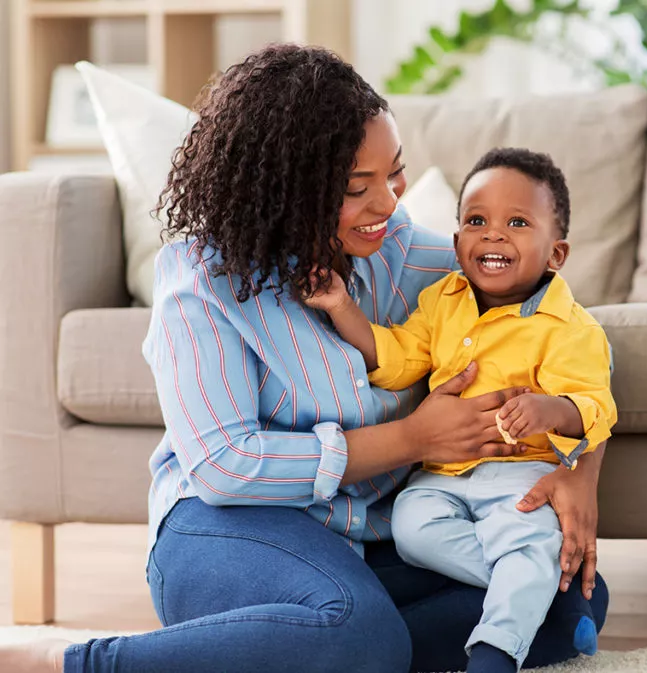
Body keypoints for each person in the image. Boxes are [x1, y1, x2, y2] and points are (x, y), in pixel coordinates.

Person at [0, 44, 608, 673]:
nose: (388, 204)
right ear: (289, 191)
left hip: (368, 536)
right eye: (356, 188)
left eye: (395, 173)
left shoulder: (414, 256)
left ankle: (306, 646)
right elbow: (224, 466)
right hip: (229, 527)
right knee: (363, 635)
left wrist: (580, 473)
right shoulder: (203, 281)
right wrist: (411, 438)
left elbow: (569, 336)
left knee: (570, 602)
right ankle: (65, 663)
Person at [305, 147, 616, 673]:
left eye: (517, 223)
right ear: (456, 244)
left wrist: (551, 409)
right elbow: (398, 357)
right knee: (412, 530)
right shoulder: (442, 301)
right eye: (476, 221)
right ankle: (545, 593)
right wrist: (341, 306)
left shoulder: (570, 327)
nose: (493, 235)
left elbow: (593, 405)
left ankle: (495, 653)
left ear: (556, 253)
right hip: (441, 475)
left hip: (520, 476)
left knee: (527, 539)